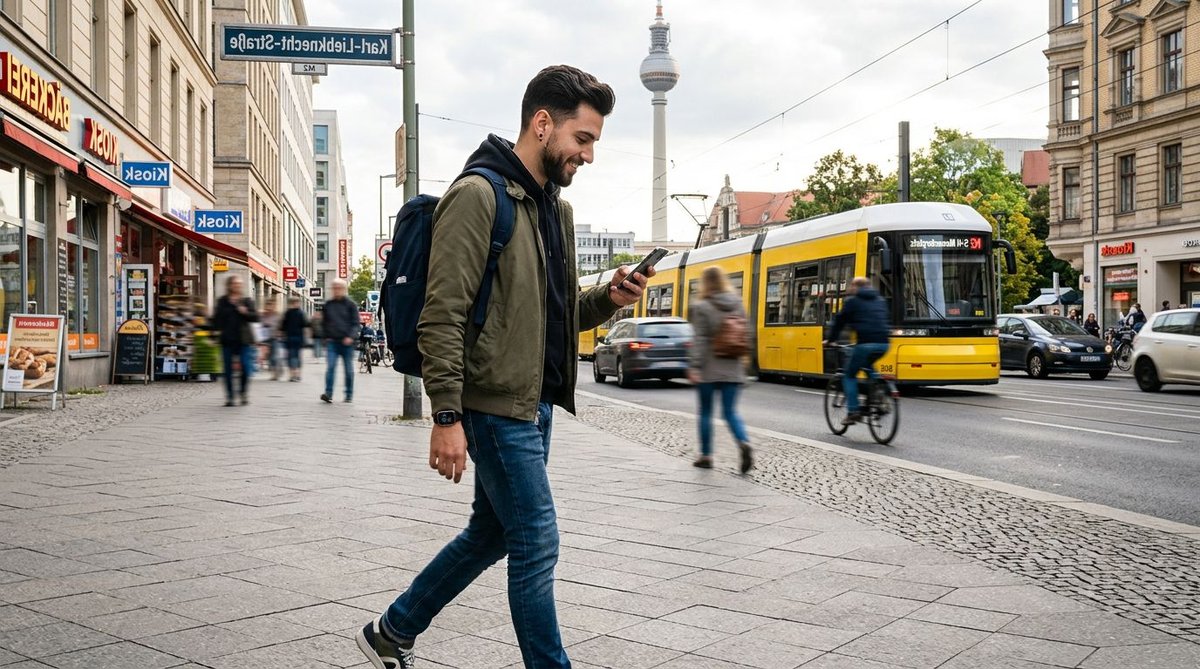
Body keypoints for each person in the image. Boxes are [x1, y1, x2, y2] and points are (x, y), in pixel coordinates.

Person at [355, 65, 642, 669]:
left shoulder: (552, 210)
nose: (589, 155)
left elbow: (548, 315)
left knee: (490, 534)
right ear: (543, 125)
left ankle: (392, 629)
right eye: (583, 139)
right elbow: (443, 315)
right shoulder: (479, 195)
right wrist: (447, 414)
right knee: (536, 542)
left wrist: (606, 300)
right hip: (492, 407)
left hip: (533, 404)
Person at [687, 266, 752, 473]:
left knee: (706, 412)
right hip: (733, 366)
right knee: (730, 412)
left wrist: (695, 366)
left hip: (708, 367)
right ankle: (744, 442)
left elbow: (700, 340)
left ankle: (706, 456)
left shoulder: (702, 306)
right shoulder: (737, 304)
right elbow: (746, 333)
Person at [824, 276, 891, 426]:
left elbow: (839, 322)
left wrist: (830, 340)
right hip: (884, 344)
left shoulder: (852, 301)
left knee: (849, 375)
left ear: (856, 287)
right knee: (868, 365)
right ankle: (879, 393)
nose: (850, 289)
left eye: (851, 286)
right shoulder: (880, 300)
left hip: (865, 343)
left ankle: (853, 411)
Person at [211, 275, 259, 407]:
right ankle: (230, 397)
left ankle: (243, 392)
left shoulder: (246, 301)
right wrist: (213, 334)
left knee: (245, 367)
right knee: (227, 370)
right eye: (235, 284)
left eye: (239, 284)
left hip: (244, 340)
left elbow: (255, 317)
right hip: (227, 339)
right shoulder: (223, 301)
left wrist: (245, 312)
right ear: (229, 285)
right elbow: (216, 320)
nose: (237, 286)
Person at [320, 278, 360, 403]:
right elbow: (324, 323)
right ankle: (328, 393)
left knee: (348, 370)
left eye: (339, 287)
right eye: (334, 287)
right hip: (332, 342)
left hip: (347, 343)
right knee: (330, 367)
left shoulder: (351, 305)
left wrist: (350, 337)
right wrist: (325, 336)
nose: (336, 290)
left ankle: (348, 394)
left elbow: (355, 324)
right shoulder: (328, 305)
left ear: (344, 289)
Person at [280, 296, 309, 382]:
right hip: (294, 337)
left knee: (293, 357)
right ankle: (295, 375)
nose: (297, 304)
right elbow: (305, 326)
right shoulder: (300, 313)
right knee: (294, 356)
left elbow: (283, 326)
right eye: (296, 302)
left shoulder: (290, 313)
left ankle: (295, 375)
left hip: (294, 337)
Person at [260, 299, 281, 380]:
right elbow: (260, 326)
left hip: (275, 338)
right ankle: (274, 372)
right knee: (268, 357)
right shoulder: (263, 315)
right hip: (265, 338)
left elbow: (281, 326)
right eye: (268, 304)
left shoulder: (277, 315)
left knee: (274, 356)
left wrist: (279, 332)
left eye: (271, 305)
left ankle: (275, 373)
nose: (269, 306)